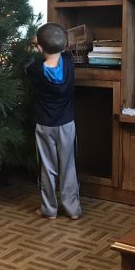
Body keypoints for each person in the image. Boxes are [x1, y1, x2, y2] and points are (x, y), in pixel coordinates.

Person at [25, 23, 82, 220]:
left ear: (39, 47)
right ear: (64, 45)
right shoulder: (68, 61)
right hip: (66, 124)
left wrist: (34, 44)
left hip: (44, 125)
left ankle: (49, 209)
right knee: (69, 166)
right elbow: (62, 50)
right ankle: (72, 209)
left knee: (47, 167)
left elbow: (28, 60)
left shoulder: (35, 70)